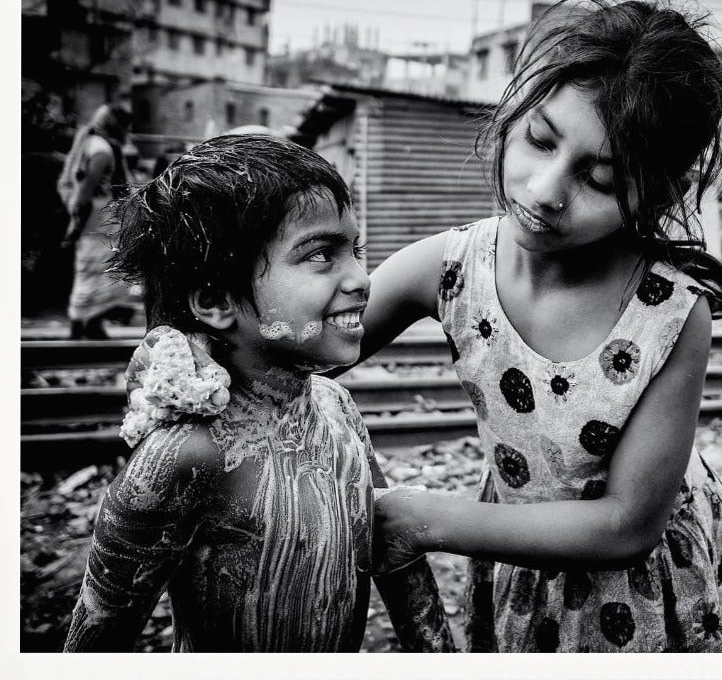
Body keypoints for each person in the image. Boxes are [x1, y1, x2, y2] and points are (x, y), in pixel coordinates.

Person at [359, 0, 722, 652]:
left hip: (635, 588)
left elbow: (628, 523)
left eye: (599, 179)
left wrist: (430, 519)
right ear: (513, 111)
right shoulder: (454, 265)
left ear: (654, 194)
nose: (545, 189)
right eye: (541, 139)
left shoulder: (669, 312)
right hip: (521, 554)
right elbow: (315, 345)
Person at [63, 135, 455, 652]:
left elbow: (400, 565)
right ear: (215, 299)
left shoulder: (337, 408)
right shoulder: (183, 456)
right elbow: (96, 638)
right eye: (321, 255)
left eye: (355, 250)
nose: (361, 278)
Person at [57, 103, 136, 339]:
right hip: (98, 220)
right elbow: (86, 192)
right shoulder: (102, 150)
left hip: (94, 220)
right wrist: (76, 225)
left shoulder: (91, 144)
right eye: (125, 126)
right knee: (100, 270)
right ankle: (88, 325)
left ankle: (83, 324)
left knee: (89, 271)